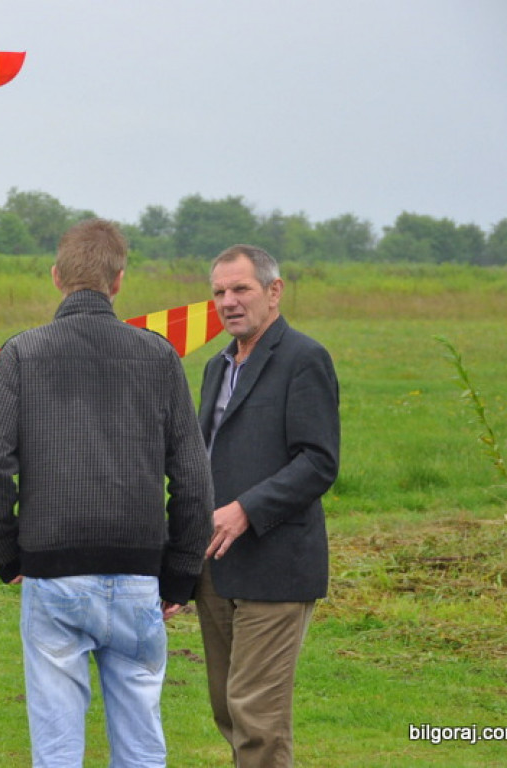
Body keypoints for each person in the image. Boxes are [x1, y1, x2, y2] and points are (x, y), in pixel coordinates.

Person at [0, 218, 213, 767]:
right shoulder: (159, 356)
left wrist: (6, 553)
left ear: (57, 277)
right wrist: (181, 572)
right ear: (119, 281)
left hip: (53, 575)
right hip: (138, 576)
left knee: (56, 746)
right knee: (142, 741)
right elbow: (195, 478)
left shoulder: (23, 354)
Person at [194, 245, 340, 768]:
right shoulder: (216, 366)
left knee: (257, 719)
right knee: (229, 712)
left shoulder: (304, 358)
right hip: (216, 569)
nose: (229, 302)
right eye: (219, 292)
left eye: (241, 290)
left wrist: (248, 508)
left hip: (275, 566)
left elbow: (318, 462)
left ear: (274, 292)